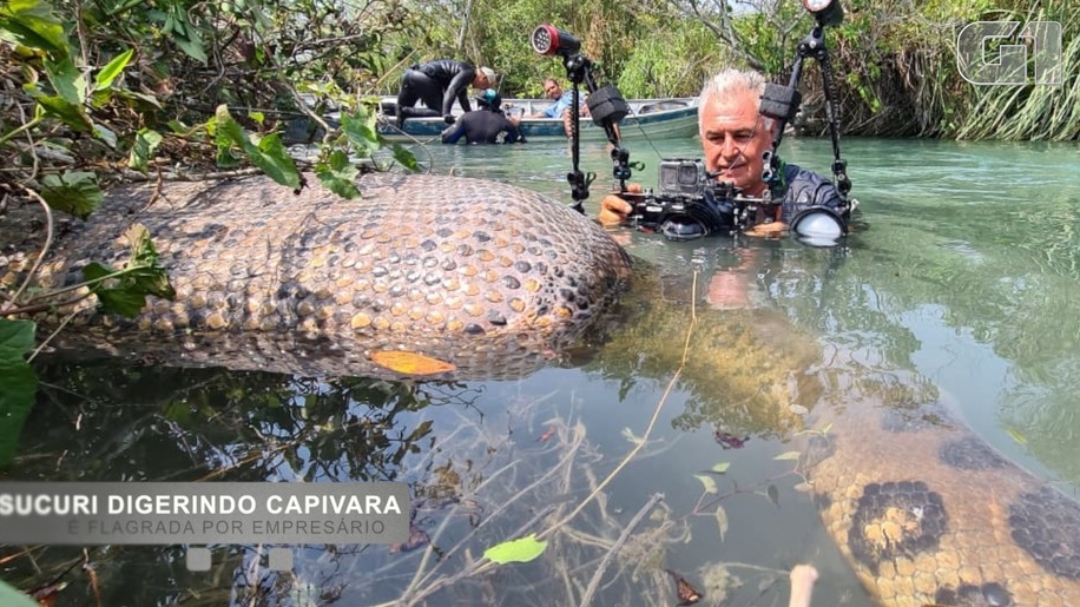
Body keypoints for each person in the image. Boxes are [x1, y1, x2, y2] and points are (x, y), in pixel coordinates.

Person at [597, 68, 848, 238]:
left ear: (772, 135)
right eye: (716, 138)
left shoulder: (813, 197)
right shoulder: (688, 196)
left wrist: (792, 236)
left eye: (742, 136)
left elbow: (851, 242)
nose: (728, 152)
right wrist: (617, 228)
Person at [395, 59, 497, 128]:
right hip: (423, 78)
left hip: (410, 74)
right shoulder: (468, 73)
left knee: (398, 110)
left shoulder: (465, 75)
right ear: (482, 77)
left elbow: (463, 100)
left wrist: (471, 116)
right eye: (485, 85)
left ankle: (383, 108)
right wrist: (445, 113)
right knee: (437, 112)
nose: (482, 89)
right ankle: (404, 111)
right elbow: (451, 89)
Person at [441, 89, 526, 145]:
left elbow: (447, 139)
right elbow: (520, 143)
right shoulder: (506, 123)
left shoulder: (466, 118)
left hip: (472, 165)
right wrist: (516, 127)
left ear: (478, 102)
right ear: (497, 104)